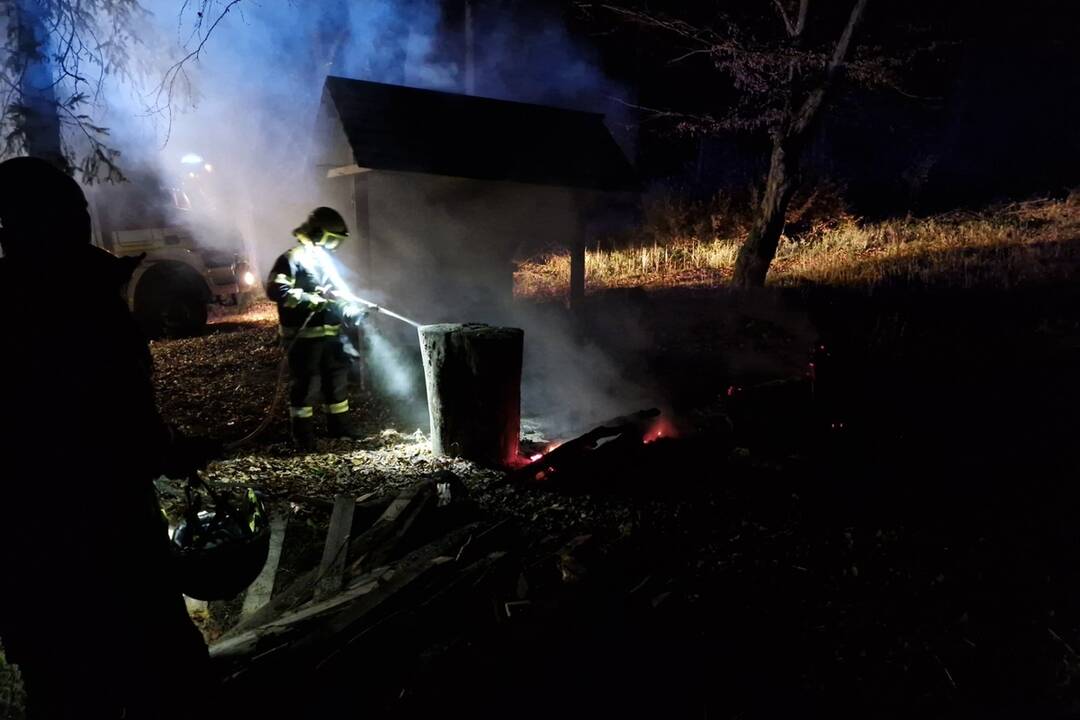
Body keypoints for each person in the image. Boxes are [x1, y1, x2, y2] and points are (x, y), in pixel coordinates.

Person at [0, 156, 216, 718]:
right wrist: (169, 452)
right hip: (108, 541)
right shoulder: (83, 305)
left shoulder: (27, 301)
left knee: (64, 688)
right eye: (74, 211)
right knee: (165, 678)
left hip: (30, 558)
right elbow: (112, 421)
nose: (82, 221)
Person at [267, 206, 367, 450]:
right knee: (306, 386)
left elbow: (338, 295)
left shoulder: (328, 262)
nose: (334, 246)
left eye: (337, 241)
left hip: (331, 337)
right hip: (302, 339)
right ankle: (303, 438)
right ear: (317, 233)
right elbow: (275, 290)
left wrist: (349, 310)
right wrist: (307, 298)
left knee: (337, 383)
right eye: (331, 240)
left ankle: (340, 428)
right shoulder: (292, 258)